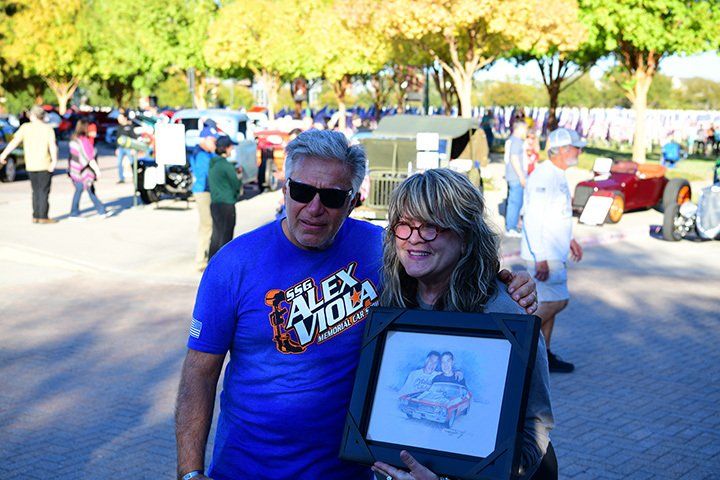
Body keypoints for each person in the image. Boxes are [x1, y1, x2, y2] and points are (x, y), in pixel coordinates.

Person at [175, 130, 539, 480]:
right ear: (285, 189)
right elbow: (199, 373)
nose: (314, 208)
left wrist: (503, 283)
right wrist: (190, 472)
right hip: (247, 469)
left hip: (351, 470)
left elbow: (444, 264)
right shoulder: (232, 264)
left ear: (353, 201)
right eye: (302, 191)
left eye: (332, 197)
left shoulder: (383, 250)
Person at [373, 168, 555, 480]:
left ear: (465, 236)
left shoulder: (504, 311)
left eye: (430, 226)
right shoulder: (390, 304)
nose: (414, 238)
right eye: (404, 224)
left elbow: (535, 426)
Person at [521, 128, 584, 374]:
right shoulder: (543, 176)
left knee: (549, 301)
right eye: (576, 148)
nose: (579, 152)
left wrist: (570, 239)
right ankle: (519, 342)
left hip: (554, 252)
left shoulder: (558, 174)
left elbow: (557, 215)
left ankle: (543, 355)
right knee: (558, 301)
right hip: (545, 255)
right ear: (561, 150)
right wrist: (540, 257)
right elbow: (533, 218)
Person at [0, 105, 58, 224]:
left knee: (35, 191)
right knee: (43, 191)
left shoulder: (25, 128)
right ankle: (43, 216)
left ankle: (36, 216)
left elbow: (14, 142)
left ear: (33, 116)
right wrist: (54, 161)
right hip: (44, 164)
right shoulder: (48, 129)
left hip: (31, 164)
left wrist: (3, 154)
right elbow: (52, 146)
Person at [189, 120, 219, 271]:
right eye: (213, 141)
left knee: (207, 225)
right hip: (203, 191)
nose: (215, 144)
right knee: (206, 225)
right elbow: (206, 175)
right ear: (206, 139)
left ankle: (205, 257)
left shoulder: (206, 153)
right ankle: (201, 260)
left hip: (205, 191)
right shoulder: (201, 154)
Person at [208, 136, 241, 259]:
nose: (232, 149)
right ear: (225, 148)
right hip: (227, 204)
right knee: (226, 236)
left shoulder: (212, 163)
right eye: (231, 147)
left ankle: (211, 262)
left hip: (215, 203)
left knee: (216, 235)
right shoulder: (226, 165)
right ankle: (223, 263)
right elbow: (236, 184)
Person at [68, 120, 106, 219]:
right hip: (84, 171)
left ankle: (101, 210)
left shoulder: (74, 139)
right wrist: (97, 171)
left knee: (86, 189)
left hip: (74, 169)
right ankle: (74, 213)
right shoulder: (84, 141)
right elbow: (89, 157)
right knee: (85, 189)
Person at [504, 120, 529, 237]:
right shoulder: (517, 141)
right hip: (516, 176)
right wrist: (521, 176)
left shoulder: (511, 140)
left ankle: (512, 226)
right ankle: (511, 228)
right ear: (519, 129)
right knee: (515, 202)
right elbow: (514, 158)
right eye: (525, 129)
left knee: (515, 202)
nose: (526, 132)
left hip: (512, 175)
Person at [115, 112, 138, 184]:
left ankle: (135, 178)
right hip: (121, 148)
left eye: (120, 118)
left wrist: (133, 148)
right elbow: (117, 138)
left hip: (129, 148)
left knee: (132, 163)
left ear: (124, 118)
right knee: (119, 163)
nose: (119, 120)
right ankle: (121, 178)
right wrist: (117, 148)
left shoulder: (130, 126)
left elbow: (134, 138)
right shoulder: (119, 127)